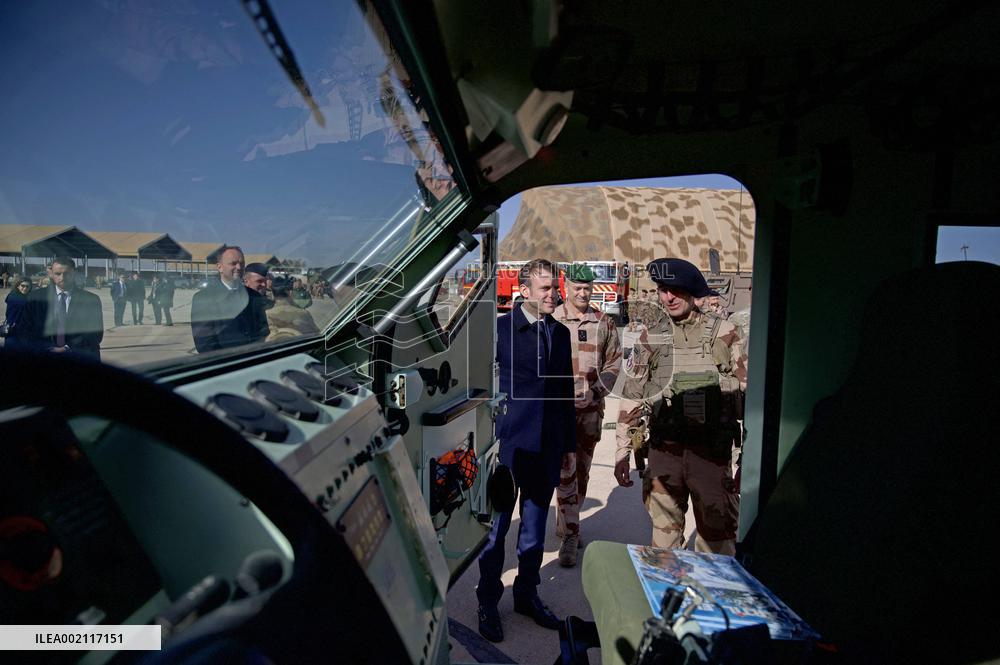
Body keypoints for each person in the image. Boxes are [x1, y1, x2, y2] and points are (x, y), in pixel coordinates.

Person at [614, 258, 746, 555]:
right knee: (664, 544)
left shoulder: (725, 332)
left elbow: (749, 398)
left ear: (692, 292)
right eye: (663, 290)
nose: (668, 297)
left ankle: (711, 599)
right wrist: (622, 450)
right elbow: (633, 393)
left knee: (717, 543)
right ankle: (669, 599)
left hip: (710, 455)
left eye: (676, 290)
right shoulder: (652, 335)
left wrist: (746, 462)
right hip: (665, 453)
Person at [477, 258, 575, 643]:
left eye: (555, 287)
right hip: (508, 448)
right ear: (524, 292)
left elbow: (564, 392)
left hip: (545, 449)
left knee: (533, 535)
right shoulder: (499, 330)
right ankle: (487, 601)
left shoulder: (560, 333)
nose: (554, 294)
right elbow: (481, 387)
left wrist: (566, 445)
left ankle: (526, 594)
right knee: (495, 533)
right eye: (546, 289)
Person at [551, 263, 623, 567]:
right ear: (566, 287)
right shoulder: (552, 320)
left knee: (581, 471)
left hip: (590, 412)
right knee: (564, 471)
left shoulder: (602, 322)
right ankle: (571, 532)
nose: (583, 293)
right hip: (559, 412)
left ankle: (565, 520)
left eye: (587, 288)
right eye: (578, 287)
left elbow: (614, 364)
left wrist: (596, 393)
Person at [20, 256, 104, 359]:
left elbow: (96, 333)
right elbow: (24, 330)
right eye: (58, 274)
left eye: (67, 273)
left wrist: (68, 348)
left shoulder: (91, 300)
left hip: (80, 357)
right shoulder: (35, 298)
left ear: (74, 273)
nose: (62, 278)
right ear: (51, 274)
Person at [191, 245, 270, 353]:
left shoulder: (254, 297)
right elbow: (205, 344)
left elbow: (263, 332)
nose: (238, 267)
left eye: (241, 264)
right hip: (226, 364)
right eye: (233, 263)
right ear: (220, 267)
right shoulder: (204, 298)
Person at [265, 275, 320, 342]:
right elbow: (316, 335)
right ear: (290, 292)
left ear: (273, 295)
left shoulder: (266, 315)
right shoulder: (303, 314)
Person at [2, 277, 32, 347]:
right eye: (23, 286)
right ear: (18, 286)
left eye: (27, 286)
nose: (25, 288)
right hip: (13, 329)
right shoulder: (13, 296)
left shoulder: (28, 296)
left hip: (26, 330)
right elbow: (23, 303)